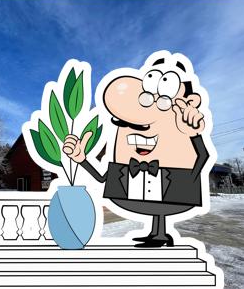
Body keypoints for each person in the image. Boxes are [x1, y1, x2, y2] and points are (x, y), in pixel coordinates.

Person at [63, 54, 209, 248]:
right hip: (135, 182)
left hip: (174, 182)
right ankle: (157, 233)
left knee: (162, 204)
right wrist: (81, 158)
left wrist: (193, 143)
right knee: (156, 204)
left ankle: (160, 234)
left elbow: (204, 155)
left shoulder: (183, 124)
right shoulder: (124, 156)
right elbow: (101, 178)